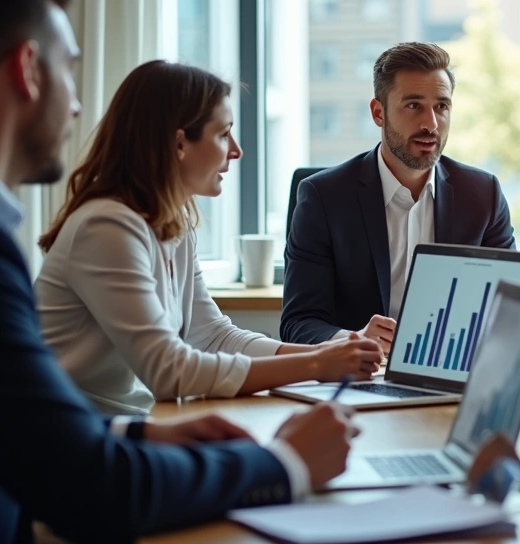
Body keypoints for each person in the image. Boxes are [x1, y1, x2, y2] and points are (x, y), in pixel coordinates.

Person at [0, 0, 355, 544]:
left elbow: (4, 423)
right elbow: (89, 488)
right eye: (71, 69)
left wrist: (141, 436)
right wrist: (283, 464)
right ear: (27, 70)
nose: (75, 106)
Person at [35, 60, 382, 415]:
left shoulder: (174, 221)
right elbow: (169, 372)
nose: (236, 150)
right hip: (73, 438)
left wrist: (328, 354)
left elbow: (215, 336)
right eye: (223, 134)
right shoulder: (106, 227)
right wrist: (314, 366)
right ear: (180, 144)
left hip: (132, 425)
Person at [281, 42, 516, 350]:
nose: (431, 124)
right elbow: (298, 323)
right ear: (379, 113)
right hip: (360, 376)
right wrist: (354, 340)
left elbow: (512, 310)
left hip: (452, 373)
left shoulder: (483, 195)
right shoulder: (323, 198)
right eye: (413, 105)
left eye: (441, 106)